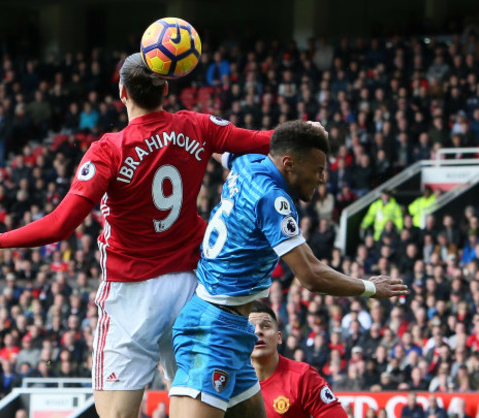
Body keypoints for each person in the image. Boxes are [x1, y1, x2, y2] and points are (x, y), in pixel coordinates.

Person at [0, 52, 272, 418]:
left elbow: (62, 224)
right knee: (234, 409)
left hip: (132, 295)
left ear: (122, 92)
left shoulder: (109, 149)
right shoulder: (197, 126)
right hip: (193, 289)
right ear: (166, 88)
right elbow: (263, 140)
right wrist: (311, 132)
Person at [168, 120, 408, 418]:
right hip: (211, 330)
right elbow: (311, 274)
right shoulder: (273, 198)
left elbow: (217, 148)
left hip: (233, 328)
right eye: (317, 169)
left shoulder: (248, 162)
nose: (321, 178)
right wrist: (370, 288)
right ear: (289, 163)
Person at [248, 301, 347, 417]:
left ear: (279, 337)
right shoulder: (230, 380)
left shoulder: (302, 376)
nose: (258, 331)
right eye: (250, 327)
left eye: (266, 326)